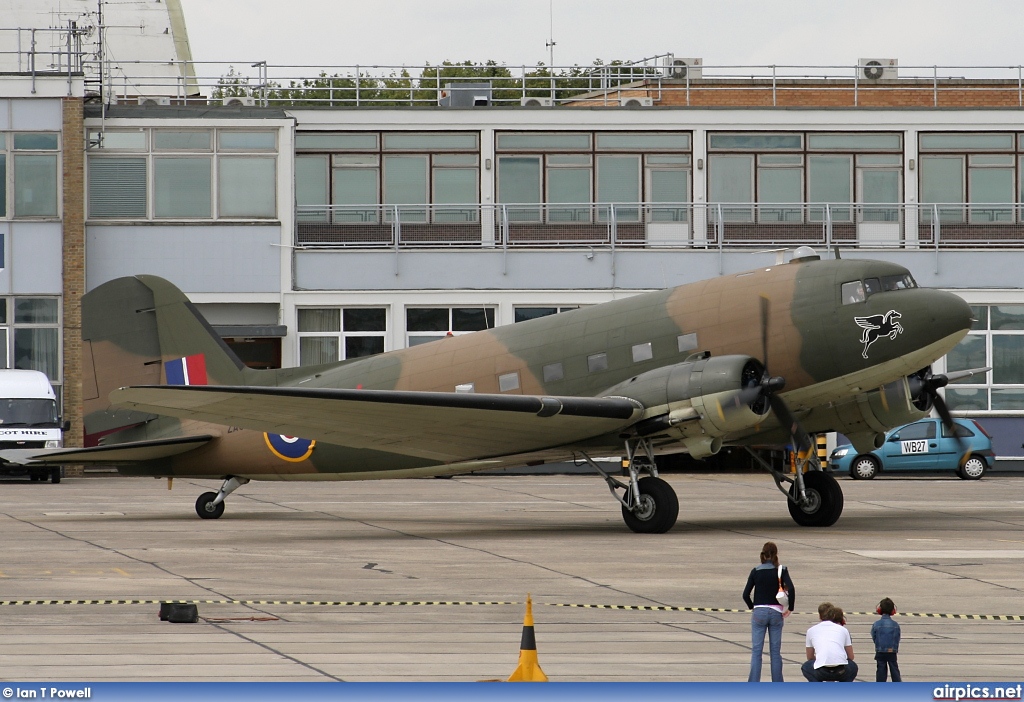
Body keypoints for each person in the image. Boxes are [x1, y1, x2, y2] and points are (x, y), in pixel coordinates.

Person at [742, 541, 794, 682]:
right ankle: (777, 683)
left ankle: (753, 683)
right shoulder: (781, 570)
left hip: (759, 611)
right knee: (775, 652)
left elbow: (745, 594)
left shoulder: (756, 571)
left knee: (756, 651)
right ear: (776, 554)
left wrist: (753, 606)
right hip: (776, 612)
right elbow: (792, 589)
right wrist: (790, 608)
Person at [802, 602, 858, 682]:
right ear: (833, 615)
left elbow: (810, 657)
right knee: (853, 667)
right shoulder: (843, 630)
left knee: (806, 667)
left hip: (821, 671)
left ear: (819, 616)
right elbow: (851, 656)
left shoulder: (811, 630)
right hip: (841, 671)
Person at [872, 597, 902, 682]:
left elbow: (874, 636)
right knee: (894, 668)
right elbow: (897, 637)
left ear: (879, 610)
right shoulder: (895, 625)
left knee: (881, 669)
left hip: (880, 650)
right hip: (892, 650)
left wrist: (878, 645)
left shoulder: (876, 624)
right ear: (893, 611)